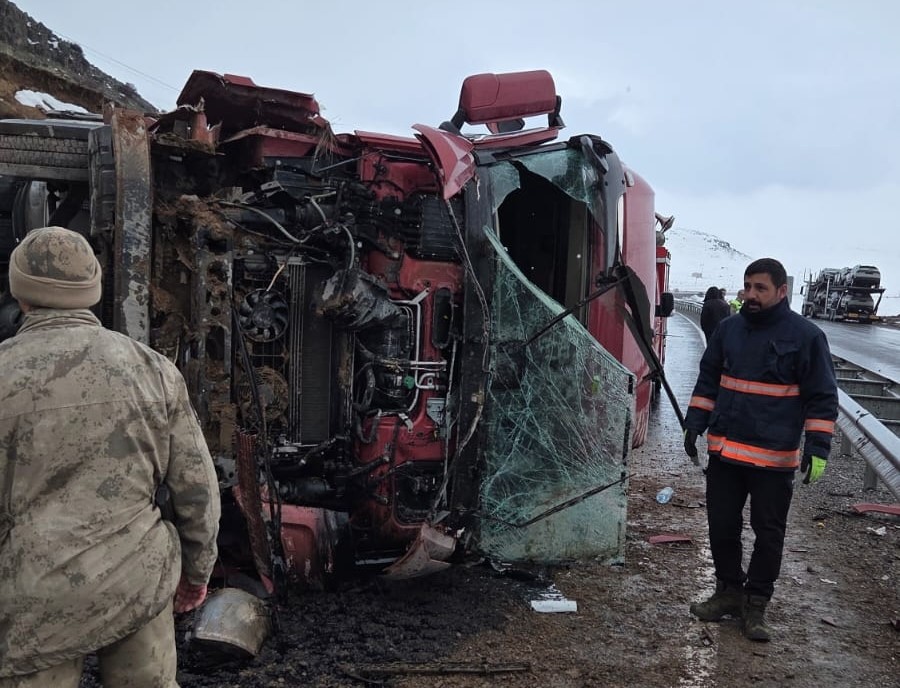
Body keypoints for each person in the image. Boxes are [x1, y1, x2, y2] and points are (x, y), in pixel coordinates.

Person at [0, 227, 221, 686]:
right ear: (93, 291)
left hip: (35, 593)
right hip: (137, 582)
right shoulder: (152, 370)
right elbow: (198, 491)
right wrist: (197, 572)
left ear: (21, 294)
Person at [683, 258, 838, 642]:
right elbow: (709, 379)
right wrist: (694, 423)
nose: (750, 294)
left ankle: (756, 605)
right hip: (725, 455)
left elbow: (821, 396)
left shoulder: (806, 337)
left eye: (760, 288)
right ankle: (728, 593)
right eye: (747, 286)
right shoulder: (728, 330)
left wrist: (819, 446)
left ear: (781, 291)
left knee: (768, 535)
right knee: (721, 528)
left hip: (773, 460)